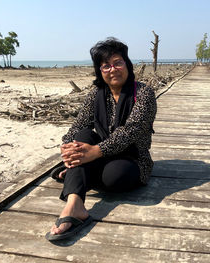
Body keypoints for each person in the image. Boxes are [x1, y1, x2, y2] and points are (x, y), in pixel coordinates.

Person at [46, 37, 157, 241]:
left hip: (132, 157)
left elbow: (130, 131)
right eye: (106, 66)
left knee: (115, 177)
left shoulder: (143, 94)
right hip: (98, 153)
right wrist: (67, 146)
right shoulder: (96, 94)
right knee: (81, 137)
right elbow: (79, 125)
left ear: (127, 65)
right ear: (100, 71)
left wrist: (93, 153)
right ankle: (75, 204)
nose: (112, 69)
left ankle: (75, 175)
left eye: (117, 63)